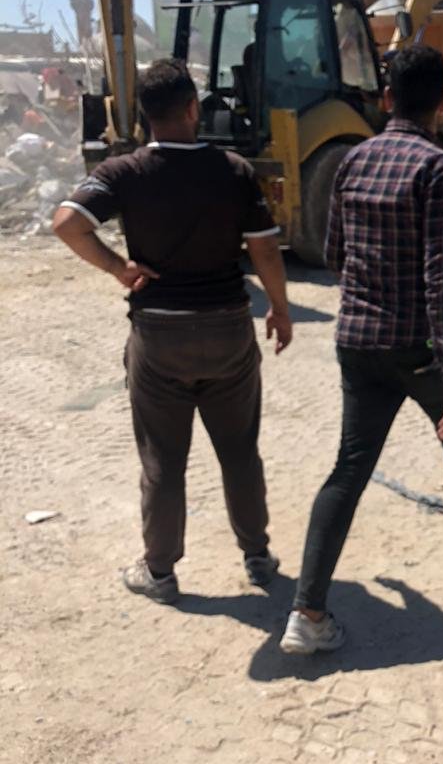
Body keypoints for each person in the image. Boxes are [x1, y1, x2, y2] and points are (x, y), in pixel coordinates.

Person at [280, 44, 443, 656]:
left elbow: (334, 254)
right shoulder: (440, 170)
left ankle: (306, 614)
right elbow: (442, 278)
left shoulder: (352, 160)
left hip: (356, 341)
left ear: (386, 98)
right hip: (416, 347)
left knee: (348, 469)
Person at [53, 58, 292, 605]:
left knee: (163, 459)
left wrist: (118, 267)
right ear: (192, 109)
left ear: (144, 115)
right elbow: (264, 250)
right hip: (228, 328)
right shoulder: (234, 170)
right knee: (239, 451)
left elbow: (67, 224)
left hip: (159, 335)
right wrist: (279, 309)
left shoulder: (123, 171)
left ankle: (160, 572)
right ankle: (257, 556)